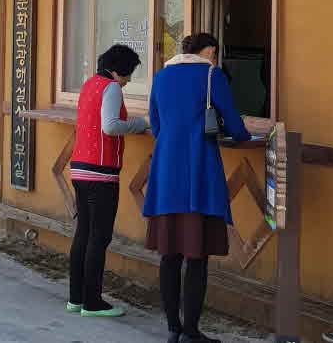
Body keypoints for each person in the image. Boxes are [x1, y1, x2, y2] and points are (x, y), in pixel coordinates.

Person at [143, 33, 251, 343]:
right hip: (199, 169)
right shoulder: (211, 75)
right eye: (215, 53)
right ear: (210, 51)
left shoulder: (161, 76)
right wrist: (243, 136)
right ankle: (191, 330)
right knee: (197, 255)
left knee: (169, 254)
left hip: (166, 170)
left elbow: (156, 124)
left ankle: (173, 329)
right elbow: (234, 125)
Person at [68, 44, 148, 317]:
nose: (128, 80)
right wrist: (143, 122)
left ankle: (76, 298)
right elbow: (111, 126)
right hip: (100, 171)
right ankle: (93, 303)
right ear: (118, 70)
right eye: (128, 73)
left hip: (79, 168)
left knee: (83, 233)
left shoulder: (90, 83)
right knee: (99, 237)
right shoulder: (111, 87)